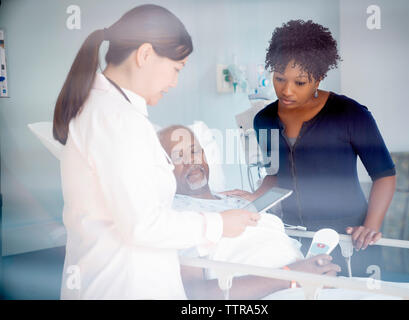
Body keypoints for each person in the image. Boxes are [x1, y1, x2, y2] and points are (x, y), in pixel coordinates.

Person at [53, 5, 259, 300]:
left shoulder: (111, 111)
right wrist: (218, 224)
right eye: (176, 69)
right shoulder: (115, 118)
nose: (175, 83)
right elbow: (143, 224)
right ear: (145, 54)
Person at [222, 20, 396, 276]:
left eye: (300, 83)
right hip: (292, 235)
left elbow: (384, 175)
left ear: (319, 78)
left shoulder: (350, 115)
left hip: (348, 237)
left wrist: (370, 225)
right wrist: (254, 198)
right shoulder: (264, 120)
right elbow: (274, 174)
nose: (286, 90)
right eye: (279, 79)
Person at [158, 125, 341, 299]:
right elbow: (196, 293)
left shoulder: (237, 200)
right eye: (178, 156)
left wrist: (316, 270)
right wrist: (290, 276)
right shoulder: (177, 216)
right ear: (163, 168)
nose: (191, 161)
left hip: (309, 285)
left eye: (194, 151)